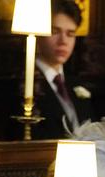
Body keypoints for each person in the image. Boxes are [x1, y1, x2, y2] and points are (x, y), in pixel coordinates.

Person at [31, 0, 93, 140]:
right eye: (55, 31)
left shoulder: (77, 86)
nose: (63, 41)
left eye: (70, 34)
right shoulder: (27, 85)